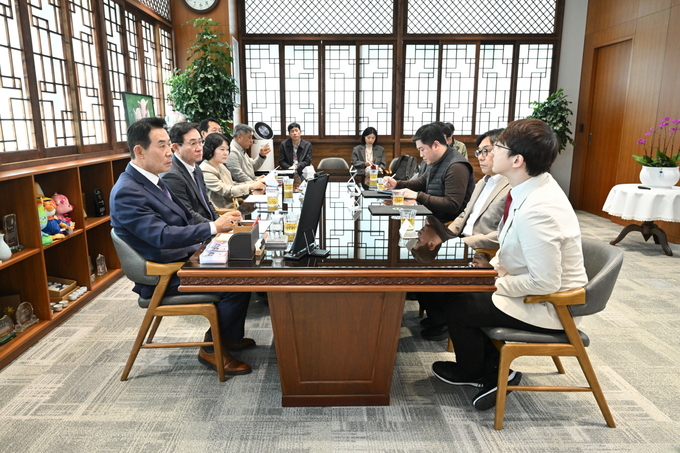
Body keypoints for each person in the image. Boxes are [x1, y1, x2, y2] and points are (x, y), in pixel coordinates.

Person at [431, 118, 588, 411]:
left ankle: (477, 372)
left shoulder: (539, 209)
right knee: (458, 289)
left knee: (459, 304)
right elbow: (510, 245)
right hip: (527, 286)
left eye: (498, 148)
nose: (490, 153)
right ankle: (490, 369)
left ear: (517, 160)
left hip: (549, 304)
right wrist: (491, 268)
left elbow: (545, 282)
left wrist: (495, 282)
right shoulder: (527, 188)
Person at [110, 117, 255, 376]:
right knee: (236, 281)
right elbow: (161, 236)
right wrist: (212, 229)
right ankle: (211, 349)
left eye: (169, 144)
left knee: (242, 267)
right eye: (162, 145)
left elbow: (186, 216)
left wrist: (213, 232)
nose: (169, 151)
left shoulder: (153, 179)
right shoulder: (128, 191)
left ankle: (228, 337)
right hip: (164, 273)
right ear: (139, 151)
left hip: (181, 257)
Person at [411, 128, 510, 341]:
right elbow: (465, 214)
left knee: (426, 262)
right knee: (418, 252)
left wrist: (462, 242)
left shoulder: (510, 187)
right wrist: (447, 234)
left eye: (486, 151)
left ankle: (442, 321)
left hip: (480, 248)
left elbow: (502, 235)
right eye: (479, 152)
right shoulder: (484, 182)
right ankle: (437, 314)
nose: (480, 157)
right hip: (460, 238)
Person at [383, 123, 475, 223]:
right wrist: (397, 184)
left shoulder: (456, 166)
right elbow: (422, 182)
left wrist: (417, 196)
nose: (421, 155)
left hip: (449, 225)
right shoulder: (437, 160)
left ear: (436, 145)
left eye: (422, 149)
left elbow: (452, 205)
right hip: (434, 219)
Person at [162, 122, 219, 224]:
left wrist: (220, 221)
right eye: (193, 143)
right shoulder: (171, 175)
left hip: (208, 226)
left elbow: (206, 202)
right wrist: (216, 226)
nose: (199, 148)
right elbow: (188, 214)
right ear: (175, 147)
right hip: (196, 230)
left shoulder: (196, 168)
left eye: (200, 142)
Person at [200, 132, 265, 210]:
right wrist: (251, 186)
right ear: (210, 149)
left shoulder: (220, 165)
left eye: (227, 149)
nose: (226, 153)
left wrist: (254, 182)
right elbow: (226, 191)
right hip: (220, 212)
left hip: (232, 207)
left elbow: (232, 184)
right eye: (222, 149)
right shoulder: (205, 169)